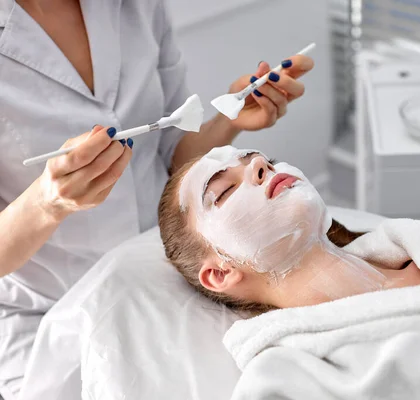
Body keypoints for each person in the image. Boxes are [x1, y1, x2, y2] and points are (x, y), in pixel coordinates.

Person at [0, 0, 314, 397]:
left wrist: (228, 122)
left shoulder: (139, 6)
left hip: (162, 276)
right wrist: (47, 203)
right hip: (47, 317)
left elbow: (170, 155)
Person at [159, 146, 420, 314]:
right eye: (224, 191)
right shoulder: (290, 372)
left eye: (269, 161)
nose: (261, 165)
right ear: (220, 273)